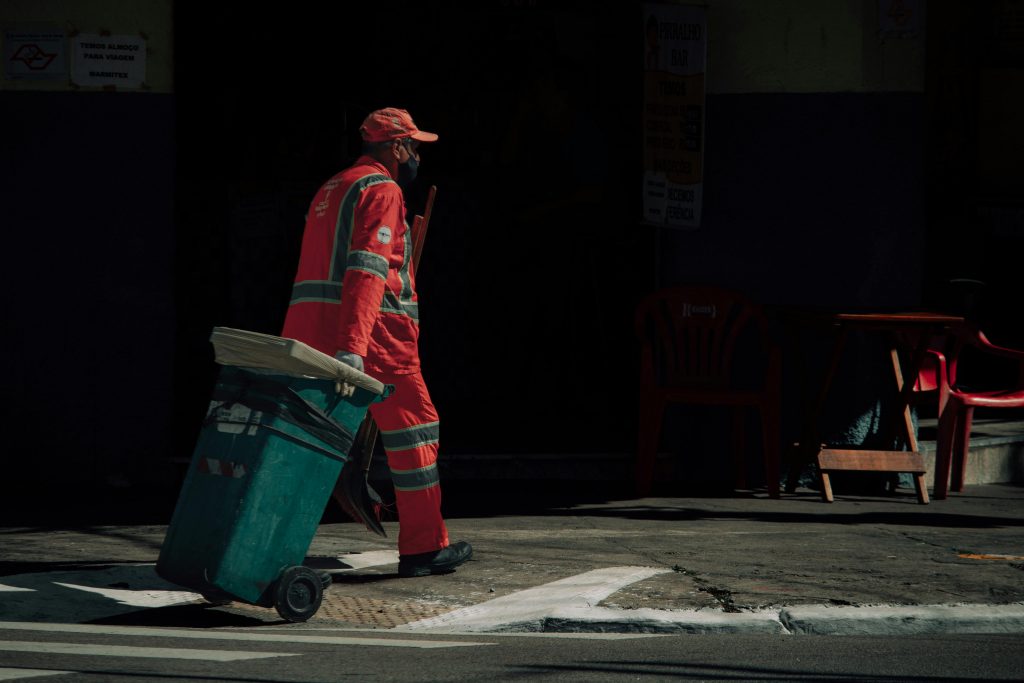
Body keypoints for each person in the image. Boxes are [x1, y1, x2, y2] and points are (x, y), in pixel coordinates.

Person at [281, 107, 472, 578]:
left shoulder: (333, 187)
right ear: (394, 146)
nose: (416, 155)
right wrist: (355, 346)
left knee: (303, 442)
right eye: (413, 146)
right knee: (415, 433)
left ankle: (274, 542)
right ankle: (425, 548)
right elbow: (367, 268)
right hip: (377, 341)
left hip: (309, 333)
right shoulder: (381, 189)